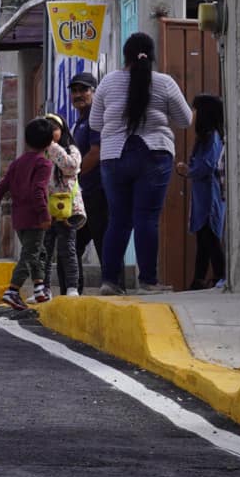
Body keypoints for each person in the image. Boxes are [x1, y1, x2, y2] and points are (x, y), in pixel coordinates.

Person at [91, 32, 194, 294]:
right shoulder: (164, 83)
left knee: (118, 219)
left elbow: (94, 123)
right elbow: (185, 120)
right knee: (146, 218)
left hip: (114, 156)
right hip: (154, 154)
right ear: (152, 54)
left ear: (126, 55)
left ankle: (109, 281)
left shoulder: (107, 83)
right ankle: (148, 281)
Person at [0, 117, 57, 310]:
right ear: (50, 142)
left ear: (26, 140)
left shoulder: (18, 162)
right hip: (35, 217)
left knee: (37, 251)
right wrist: (44, 215)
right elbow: (38, 190)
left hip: (19, 218)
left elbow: (2, 186)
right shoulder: (44, 164)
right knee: (30, 255)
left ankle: (40, 288)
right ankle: (13, 290)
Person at [180, 94, 227, 290]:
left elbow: (208, 164)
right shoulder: (205, 138)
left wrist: (188, 171)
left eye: (196, 110)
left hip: (210, 196)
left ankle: (220, 275)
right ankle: (199, 279)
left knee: (211, 237)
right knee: (203, 237)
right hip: (202, 196)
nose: (193, 114)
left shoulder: (213, 138)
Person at [67, 71, 107, 291]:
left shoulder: (94, 118)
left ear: (94, 92)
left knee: (102, 241)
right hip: (84, 194)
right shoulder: (80, 120)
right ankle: (74, 290)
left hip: (98, 191)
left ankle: (114, 285)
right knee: (73, 243)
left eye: (84, 90)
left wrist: (75, 175)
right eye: (74, 90)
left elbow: (96, 152)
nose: (78, 94)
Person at [43, 113, 87, 297]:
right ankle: (43, 287)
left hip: (67, 210)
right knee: (44, 251)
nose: (50, 132)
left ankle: (71, 287)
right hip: (46, 211)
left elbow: (70, 167)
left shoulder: (71, 149)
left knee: (67, 250)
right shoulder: (40, 153)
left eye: (53, 128)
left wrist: (53, 147)